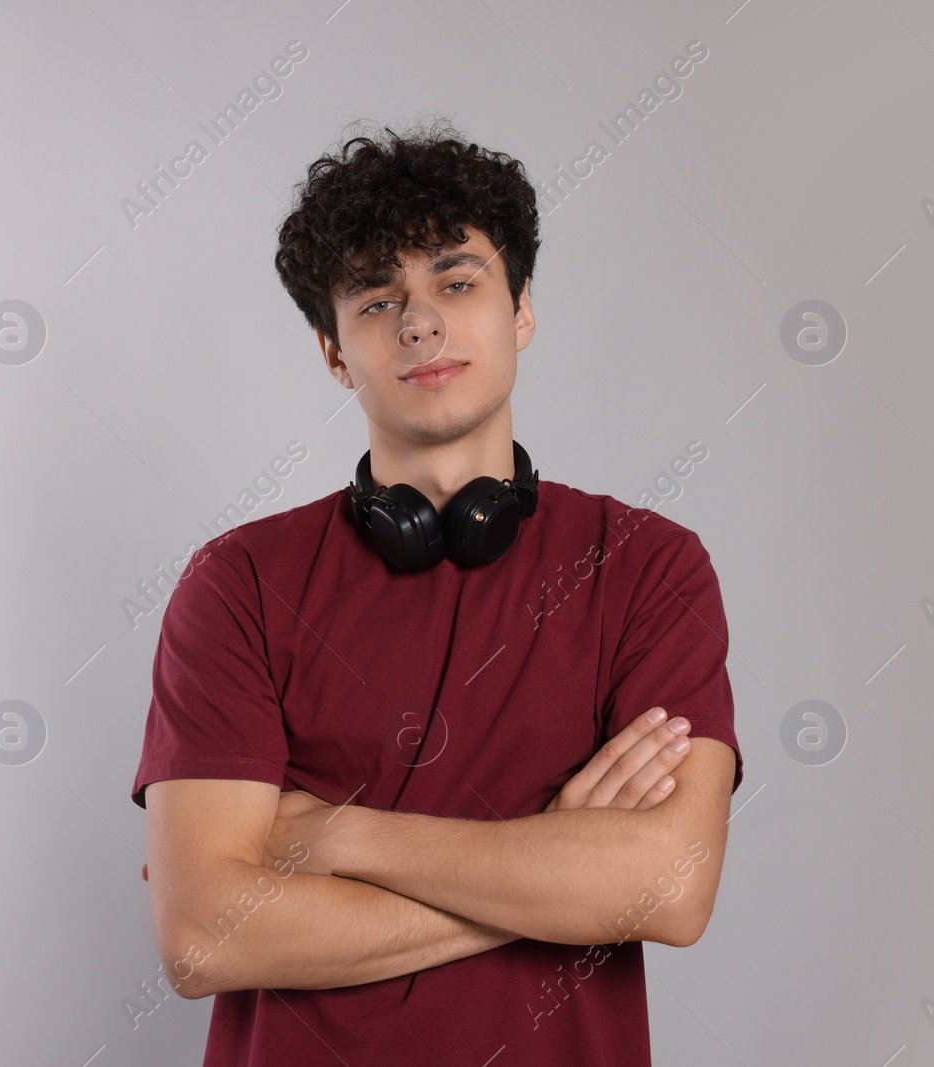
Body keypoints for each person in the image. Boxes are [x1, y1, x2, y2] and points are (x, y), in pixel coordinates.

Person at [129, 119, 743, 1067]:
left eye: (457, 283)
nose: (419, 321)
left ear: (521, 309)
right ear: (335, 352)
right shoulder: (238, 585)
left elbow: (671, 884)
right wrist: (555, 864)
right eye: (377, 300)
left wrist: (335, 834)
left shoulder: (650, 567)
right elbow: (206, 935)